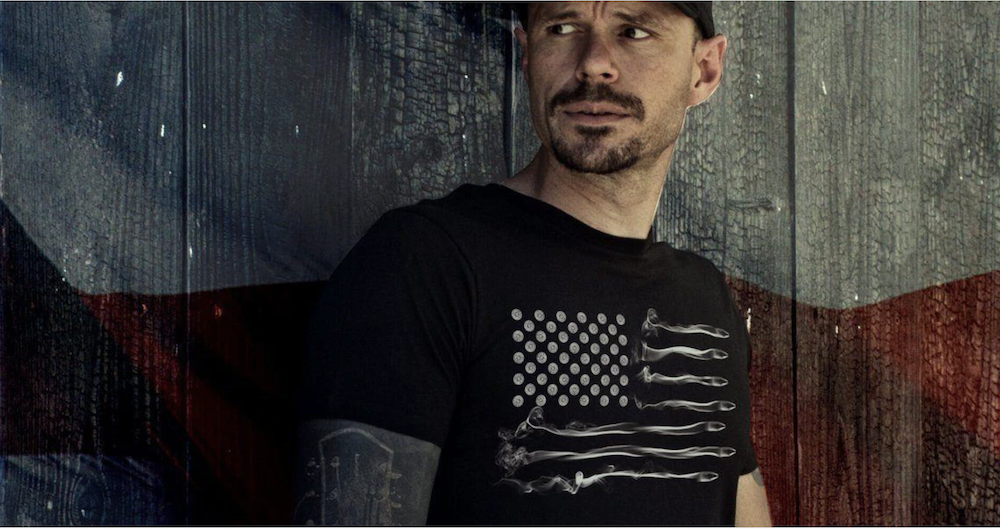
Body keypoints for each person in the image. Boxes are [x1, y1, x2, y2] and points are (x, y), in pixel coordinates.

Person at [296, 2, 772, 525]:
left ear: (703, 70)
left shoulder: (703, 299)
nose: (593, 62)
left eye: (634, 31)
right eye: (562, 28)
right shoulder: (426, 262)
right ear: (527, 55)